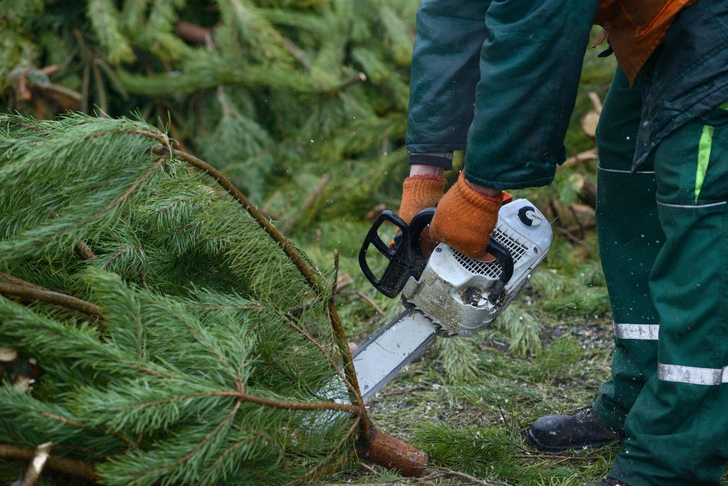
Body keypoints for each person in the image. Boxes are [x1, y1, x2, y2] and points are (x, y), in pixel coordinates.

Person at [397, 1, 728, 485]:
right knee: (629, 153)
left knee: (700, 205)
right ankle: (642, 391)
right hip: (660, 24)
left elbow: (535, 31)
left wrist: (480, 190)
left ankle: (675, 452)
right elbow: (454, 12)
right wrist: (425, 175)